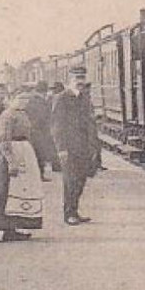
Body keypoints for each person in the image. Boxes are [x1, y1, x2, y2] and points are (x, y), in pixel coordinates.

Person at [0, 93, 46, 241]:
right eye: (20, 99)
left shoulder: (23, 114)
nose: (23, 103)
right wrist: (11, 161)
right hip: (10, 154)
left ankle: (16, 226)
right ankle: (4, 228)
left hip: (24, 154)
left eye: (26, 100)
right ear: (11, 99)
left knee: (23, 190)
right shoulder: (7, 116)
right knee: (5, 190)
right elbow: (4, 139)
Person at [52, 66, 97, 225]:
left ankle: (74, 211)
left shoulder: (84, 98)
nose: (80, 81)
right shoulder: (61, 98)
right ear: (69, 80)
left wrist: (93, 147)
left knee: (81, 180)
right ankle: (68, 213)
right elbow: (57, 126)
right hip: (69, 148)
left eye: (82, 78)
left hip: (84, 147)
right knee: (70, 181)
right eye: (76, 78)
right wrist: (61, 149)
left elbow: (90, 124)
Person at [23, 80, 58, 178]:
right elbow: (41, 116)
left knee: (39, 152)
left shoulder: (33, 99)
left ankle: (39, 174)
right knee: (39, 152)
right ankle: (39, 175)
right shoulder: (39, 101)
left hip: (35, 129)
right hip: (40, 130)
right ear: (44, 91)